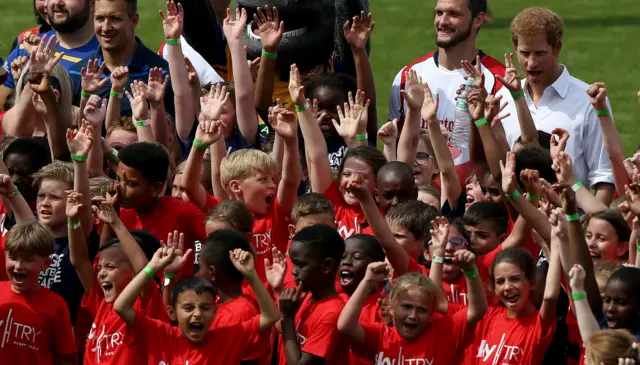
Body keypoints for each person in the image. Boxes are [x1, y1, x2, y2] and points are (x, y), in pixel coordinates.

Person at [389, 0, 514, 185]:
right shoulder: (409, 76)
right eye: (439, 13)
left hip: (470, 203)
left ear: (478, 19)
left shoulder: (500, 81)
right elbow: (393, 147)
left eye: (454, 14)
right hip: (416, 203)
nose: (443, 21)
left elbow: (507, 156)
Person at [501, 7, 615, 205]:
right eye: (525, 53)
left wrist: (591, 229)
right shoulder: (504, 97)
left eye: (540, 53)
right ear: (515, 47)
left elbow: (604, 177)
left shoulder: (588, 100)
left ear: (557, 48)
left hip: (570, 222)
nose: (531, 63)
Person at [113, 246, 280, 365]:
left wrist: (250, 275)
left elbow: (271, 316)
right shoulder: (159, 334)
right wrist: (152, 267)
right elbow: (121, 306)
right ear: (172, 313)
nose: (197, 314)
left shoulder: (229, 338)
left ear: (215, 311)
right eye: (188, 308)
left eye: (205, 308)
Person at [337, 253, 487, 364]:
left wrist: (470, 271)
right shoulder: (380, 336)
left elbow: (478, 310)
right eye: (407, 307)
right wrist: (368, 281)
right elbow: (345, 326)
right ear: (391, 307)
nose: (413, 315)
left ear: (431, 313)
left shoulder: (446, 331)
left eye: (422, 309)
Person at [69, 0, 174, 119]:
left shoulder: (161, 75)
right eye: (99, 18)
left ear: (134, 21)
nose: (106, 28)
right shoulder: (77, 73)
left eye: (115, 18)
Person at [116, 142, 207, 277]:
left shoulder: (182, 211)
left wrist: (200, 281)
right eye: (118, 179)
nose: (120, 189)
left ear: (156, 189)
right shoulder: (118, 212)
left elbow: (222, 245)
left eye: (131, 184)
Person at [0, 220, 78, 365]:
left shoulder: (56, 305)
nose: (18, 266)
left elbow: (67, 358)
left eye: (28, 260)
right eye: (13, 258)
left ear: (46, 264)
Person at [1, 0, 98, 109]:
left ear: (92, 3)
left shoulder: (107, 55)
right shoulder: (27, 47)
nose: (57, 2)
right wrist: (18, 85)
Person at [277, 224, 350, 365]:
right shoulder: (306, 297)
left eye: (301, 265)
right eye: (293, 264)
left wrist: (287, 318)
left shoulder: (332, 314)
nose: (294, 271)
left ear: (327, 266)